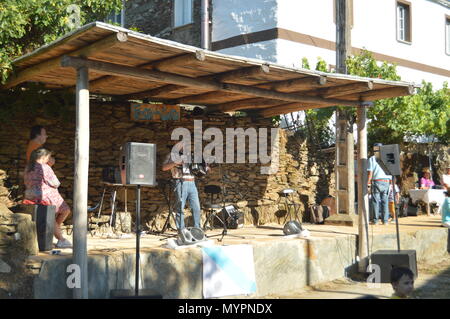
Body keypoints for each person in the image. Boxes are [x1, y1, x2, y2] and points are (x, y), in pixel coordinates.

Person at [24, 148, 72, 248]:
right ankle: (60, 239)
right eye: (49, 157)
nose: (50, 159)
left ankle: (54, 230)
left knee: (53, 215)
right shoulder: (44, 167)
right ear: (44, 157)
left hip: (31, 195)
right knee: (64, 210)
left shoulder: (29, 167)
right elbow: (55, 183)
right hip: (45, 195)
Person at [162, 142, 209, 230]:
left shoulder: (191, 155)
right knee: (180, 207)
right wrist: (175, 163)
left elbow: (200, 167)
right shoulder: (171, 155)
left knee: (196, 207)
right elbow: (164, 168)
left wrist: (204, 168)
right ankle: (181, 230)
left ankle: (197, 229)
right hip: (180, 182)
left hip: (192, 182)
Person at [367, 143, 392, 225]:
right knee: (385, 201)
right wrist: (390, 182)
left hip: (377, 181)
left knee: (375, 201)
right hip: (386, 181)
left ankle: (375, 221)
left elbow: (370, 172)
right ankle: (385, 221)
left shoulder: (372, 158)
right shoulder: (387, 157)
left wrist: (368, 183)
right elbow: (390, 170)